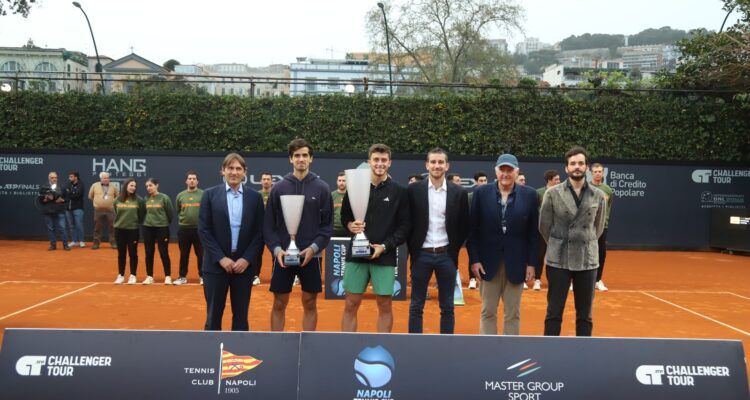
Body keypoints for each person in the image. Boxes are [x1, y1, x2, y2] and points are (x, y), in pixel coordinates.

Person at [264, 138, 333, 332]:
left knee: (310, 303)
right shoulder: (278, 188)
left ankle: (308, 344)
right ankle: (277, 342)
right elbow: (269, 226)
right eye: (297, 155)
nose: (301, 159)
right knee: (279, 303)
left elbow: (326, 227)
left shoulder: (322, 188)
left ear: (311, 158)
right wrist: (277, 250)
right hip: (284, 256)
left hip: (311, 256)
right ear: (290, 159)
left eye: (304, 155)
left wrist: (313, 249)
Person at [341, 143, 410, 333]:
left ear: (390, 163)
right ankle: (347, 345)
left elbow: (404, 227)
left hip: (384, 256)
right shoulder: (354, 187)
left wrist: (385, 246)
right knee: (351, 303)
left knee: (385, 304)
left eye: (384, 160)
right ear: (369, 161)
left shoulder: (399, 192)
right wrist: (350, 225)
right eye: (376, 159)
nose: (380, 163)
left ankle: (383, 345)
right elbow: (345, 216)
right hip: (356, 254)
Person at [467, 153, 539, 335]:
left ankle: (509, 355)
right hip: (487, 263)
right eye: (502, 170)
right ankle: (488, 352)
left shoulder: (530, 195)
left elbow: (533, 234)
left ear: (517, 172)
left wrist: (532, 263)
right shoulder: (480, 193)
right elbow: (472, 231)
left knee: (512, 314)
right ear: (496, 171)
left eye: (510, 170)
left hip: (517, 263)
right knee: (488, 311)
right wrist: (474, 260)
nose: (505, 174)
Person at [539, 146, 606, 337]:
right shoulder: (552, 194)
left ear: (587, 167)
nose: (577, 167)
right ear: (566, 168)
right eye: (573, 163)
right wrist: (559, 243)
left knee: (585, 315)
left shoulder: (598, 195)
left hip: (587, 260)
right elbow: (544, 227)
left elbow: (598, 228)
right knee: (553, 313)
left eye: (581, 163)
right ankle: (549, 352)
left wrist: (584, 240)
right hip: (558, 259)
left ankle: (583, 355)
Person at [199, 153, 264, 331]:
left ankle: (238, 354)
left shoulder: (255, 197)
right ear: (223, 171)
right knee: (213, 316)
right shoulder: (209, 195)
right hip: (215, 266)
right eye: (230, 168)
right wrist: (221, 258)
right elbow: (204, 230)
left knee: (241, 317)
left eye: (238, 169)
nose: (234, 172)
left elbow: (260, 232)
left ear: (244, 172)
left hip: (244, 267)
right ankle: (212, 355)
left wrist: (246, 259)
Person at [407, 148, 468, 334]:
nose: (437, 166)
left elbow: (464, 225)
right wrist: (414, 250)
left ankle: (446, 346)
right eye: (433, 162)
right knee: (416, 305)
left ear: (447, 166)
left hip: (446, 256)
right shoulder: (413, 190)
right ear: (427, 165)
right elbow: (407, 222)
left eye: (441, 162)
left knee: (448, 306)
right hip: (421, 255)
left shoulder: (459, 193)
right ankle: (415, 345)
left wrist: (453, 251)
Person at [142, 178, 174, 285]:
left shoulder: (164, 198)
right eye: (147, 186)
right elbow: (142, 213)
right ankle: (150, 276)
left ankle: (168, 276)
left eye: (150, 185)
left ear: (157, 185)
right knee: (148, 252)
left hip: (162, 228)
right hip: (148, 228)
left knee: (163, 252)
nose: (148, 188)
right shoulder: (145, 198)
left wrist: (163, 223)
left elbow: (170, 213)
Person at [533, 170, 561, 291]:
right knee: (539, 255)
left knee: (555, 257)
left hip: (557, 231)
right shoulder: (539, 193)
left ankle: (554, 281)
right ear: (549, 180)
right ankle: (537, 280)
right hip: (542, 230)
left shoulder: (562, 192)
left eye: (559, 179)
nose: (559, 181)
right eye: (556, 179)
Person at [174, 171, 204, 286]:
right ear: (186, 181)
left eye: (194, 178)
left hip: (199, 230)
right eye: (190, 178)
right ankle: (182, 277)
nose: (192, 180)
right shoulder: (180, 195)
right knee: (184, 254)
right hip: (184, 229)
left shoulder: (203, 194)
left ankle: (203, 276)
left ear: (197, 181)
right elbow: (178, 210)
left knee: (201, 254)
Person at [113, 178, 145, 284]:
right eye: (131, 185)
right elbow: (115, 212)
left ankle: (133, 275)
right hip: (119, 230)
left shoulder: (139, 200)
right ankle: (121, 275)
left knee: (133, 253)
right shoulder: (117, 199)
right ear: (126, 186)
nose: (133, 188)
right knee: (121, 253)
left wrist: (134, 223)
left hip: (133, 230)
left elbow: (141, 215)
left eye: (134, 186)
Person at [590, 163, 614, 292]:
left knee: (601, 253)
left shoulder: (608, 190)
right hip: (587, 226)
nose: (598, 173)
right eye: (595, 171)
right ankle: (575, 280)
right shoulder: (586, 187)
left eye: (600, 171)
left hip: (602, 226)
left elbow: (608, 208)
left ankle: (598, 280)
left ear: (603, 173)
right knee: (583, 252)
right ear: (591, 173)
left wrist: (604, 222)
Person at [467, 170, 488, 290]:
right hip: (473, 231)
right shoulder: (470, 197)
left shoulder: (493, 195)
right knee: (473, 255)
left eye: (485, 180)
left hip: (487, 233)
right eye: (481, 181)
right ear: (475, 182)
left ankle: (485, 277)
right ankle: (472, 279)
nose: (484, 183)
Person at [39, 171, 69, 251]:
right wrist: (46, 199)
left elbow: (67, 198)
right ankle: (53, 245)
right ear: (49, 178)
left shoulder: (62, 186)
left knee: (62, 228)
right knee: (50, 229)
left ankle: (65, 245)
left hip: (60, 210)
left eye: (55, 177)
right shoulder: (44, 187)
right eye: (52, 178)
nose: (54, 179)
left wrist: (62, 200)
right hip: (48, 211)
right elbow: (40, 200)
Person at [88, 172, 118, 249]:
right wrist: (97, 203)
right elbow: (90, 196)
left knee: (113, 226)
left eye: (108, 177)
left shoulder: (113, 186)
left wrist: (111, 203)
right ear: (101, 179)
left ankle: (113, 242)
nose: (106, 179)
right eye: (104, 178)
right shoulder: (94, 185)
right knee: (97, 227)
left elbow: (118, 196)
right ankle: (96, 243)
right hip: (98, 210)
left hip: (111, 210)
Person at [253, 172, 274, 286]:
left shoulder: (275, 194)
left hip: (272, 230)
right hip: (259, 230)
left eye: (268, 179)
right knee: (256, 254)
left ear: (271, 181)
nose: (266, 181)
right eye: (264, 179)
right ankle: (255, 276)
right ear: (261, 181)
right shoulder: (256, 195)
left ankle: (275, 275)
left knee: (276, 253)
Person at [64, 171, 85, 248]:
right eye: (69, 176)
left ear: (76, 177)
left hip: (78, 208)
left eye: (71, 177)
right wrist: (71, 193)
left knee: (79, 225)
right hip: (68, 209)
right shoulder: (68, 184)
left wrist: (70, 193)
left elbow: (77, 194)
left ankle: (82, 241)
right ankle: (74, 241)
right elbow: (66, 194)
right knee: (71, 225)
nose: (69, 178)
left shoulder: (81, 184)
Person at [331, 171, 348, 237]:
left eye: (344, 181)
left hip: (348, 230)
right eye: (339, 180)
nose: (341, 183)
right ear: (337, 181)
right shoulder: (331, 195)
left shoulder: (351, 195)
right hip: (334, 230)